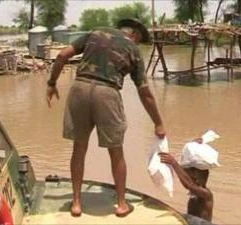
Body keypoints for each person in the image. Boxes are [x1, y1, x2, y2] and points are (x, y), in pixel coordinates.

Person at [46, 19, 166, 217]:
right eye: (138, 41)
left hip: (79, 89)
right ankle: (121, 204)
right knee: (116, 151)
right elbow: (144, 93)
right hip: (107, 93)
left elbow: (61, 55)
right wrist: (158, 123)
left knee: (79, 147)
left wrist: (52, 83)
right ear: (135, 35)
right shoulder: (133, 50)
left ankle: (76, 203)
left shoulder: (95, 31)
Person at [159, 138, 214, 223]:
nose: (191, 178)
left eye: (194, 177)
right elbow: (188, 183)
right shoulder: (195, 192)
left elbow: (189, 184)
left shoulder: (206, 194)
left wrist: (174, 163)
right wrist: (192, 145)